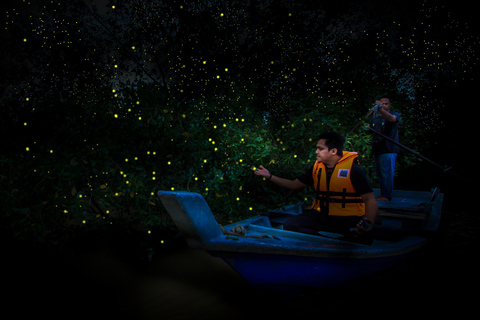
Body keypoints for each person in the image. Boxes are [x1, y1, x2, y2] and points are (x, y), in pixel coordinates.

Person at [253, 132, 378, 244]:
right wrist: (269, 176)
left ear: (333, 151)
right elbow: (293, 185)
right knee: (291, 225)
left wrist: (368, 223)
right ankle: (328, 243)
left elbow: (369, 200)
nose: (316, 152)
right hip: (321, 215)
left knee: (363, 237)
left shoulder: (354, 170)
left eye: (320, 149)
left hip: (347, 218)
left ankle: (334, 243)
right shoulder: (317, 168)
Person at [369, 96, 401, 201]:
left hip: (389, 149)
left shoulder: (394, 115)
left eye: (386, 104)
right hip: (378, 149)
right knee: (380, 174)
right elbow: (369, 129)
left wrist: (381, 109)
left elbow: (392, 119)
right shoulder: (376, 118)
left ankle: (387, 196)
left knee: (387, 173)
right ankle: (383, 194)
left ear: (390, 105)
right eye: (382, 104)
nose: (384, 105)